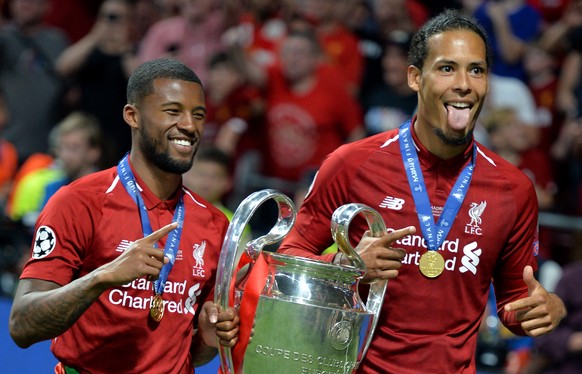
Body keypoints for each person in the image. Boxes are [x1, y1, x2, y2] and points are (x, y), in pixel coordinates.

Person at [277, 9, 566, 374]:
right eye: (447, 68)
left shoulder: (514, 188)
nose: (464, 83)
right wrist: (346, 269)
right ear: (415, 77)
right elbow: (287, 262)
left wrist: (544, 309)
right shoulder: (351, 164)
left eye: (476, 70)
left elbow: (514, 305)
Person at [8, 58, 239, 373]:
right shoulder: (79, 202)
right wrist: (102, 276)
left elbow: (191, 353)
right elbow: (22, 324)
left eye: (198, 115)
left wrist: (207, 341)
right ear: (133, 116)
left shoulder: (214, 224)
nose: (189, 125)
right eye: (172, 111)